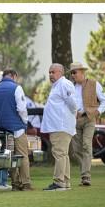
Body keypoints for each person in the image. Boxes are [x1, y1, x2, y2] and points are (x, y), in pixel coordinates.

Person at [0, 69, 33, 192]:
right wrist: (25, 122)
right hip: (17, 128)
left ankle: (15, 183)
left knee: (11, 157)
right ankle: (25, 184)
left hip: (2, 129)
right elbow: (21, 109)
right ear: (14, 76)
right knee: (23, 156)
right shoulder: (16, 88)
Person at [68, 63, 105, 188]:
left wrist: (97, 112)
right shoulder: (70, 87)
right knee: (76, 150)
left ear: (82, 72)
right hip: (74, 121)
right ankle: (84, 174)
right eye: (71, 73)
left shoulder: (94, 84)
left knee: (86, 145)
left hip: (89, 119)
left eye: (74, 72)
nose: (73, 75)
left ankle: (86, 176)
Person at [40, 63, 78, 191]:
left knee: (59, 154)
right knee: (63, 154)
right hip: (59, 126)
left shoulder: (63, 84)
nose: (50, 74)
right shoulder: (57, 86)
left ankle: (59, 182)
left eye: (53, 72)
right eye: (49, 72)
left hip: (60, 126)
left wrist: (66, 118)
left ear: (60, 73)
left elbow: (73, 104)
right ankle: (65, 182)